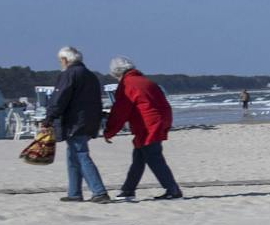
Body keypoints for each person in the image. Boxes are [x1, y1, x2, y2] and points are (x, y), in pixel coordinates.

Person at [103, 56, 183, 200]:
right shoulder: (147, 81)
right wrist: (166, 124)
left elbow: (120, 110)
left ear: (116, 73)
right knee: (139, 157)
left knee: (154, 158)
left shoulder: (127, 84)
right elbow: (163, 104)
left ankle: (173, 190)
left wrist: (110, 130)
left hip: (147, 125)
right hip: (158, 122)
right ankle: (128, 190)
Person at [47, 46, 110, 203]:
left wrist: (49, 117)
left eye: (60, 60)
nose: (60, 63)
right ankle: (74, 192)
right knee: (72, 156)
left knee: (80, 154)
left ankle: (99, 191)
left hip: (75, 122)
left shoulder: (68, 74)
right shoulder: (91, 75)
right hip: (89, 121)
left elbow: (60, 98)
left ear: (65, 59)